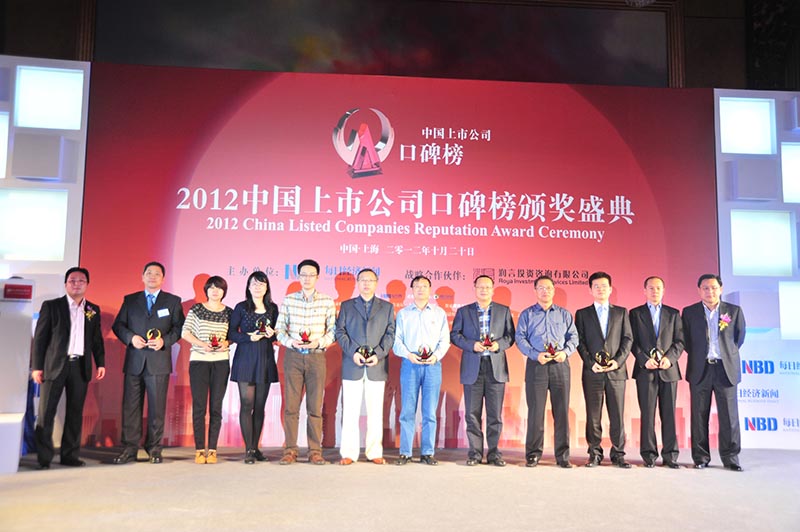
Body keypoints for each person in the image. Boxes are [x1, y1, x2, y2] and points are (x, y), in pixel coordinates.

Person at [31, 267, 105, 469]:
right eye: (72, 280)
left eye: (81, 281)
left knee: (75, 413)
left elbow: (96, 339)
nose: (76, 284)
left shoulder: (92, 310)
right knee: (46, 413)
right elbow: (40, 339)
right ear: (66, 284)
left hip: (79, 366)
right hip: (54, 365)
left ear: (87, 284)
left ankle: (70, 456)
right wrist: (37, 367)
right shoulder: (52, 306)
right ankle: (44, 458)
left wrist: (100, 362)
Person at [111, 261, 184, 464]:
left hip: (158, 361)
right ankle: (129, 448)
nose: (152, 276)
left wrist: (164, 341)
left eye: (157, 273)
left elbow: (179, 328)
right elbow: (119, 325)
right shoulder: (130, 300)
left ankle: (154, 448)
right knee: (131, 407)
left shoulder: (172, 301)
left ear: (163, 278)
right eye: (149, 273)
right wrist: (130, 338)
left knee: (157, 408)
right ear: (142, 276)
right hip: (135, 360)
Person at [682, 274, 746, 471]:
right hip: (700, 369)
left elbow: (739, 338)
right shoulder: (689, 312)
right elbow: (686, 341)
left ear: (721, 289)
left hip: (725, 369)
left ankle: (731, 458)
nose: (710, 291)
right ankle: (701, 457)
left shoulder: (733, 311)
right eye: (705, 288)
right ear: (699, 290)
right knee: (699, 415)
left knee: (729, 417)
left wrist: (725, 355)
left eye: (713, 287)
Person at [275, 259, 336, 465]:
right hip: (293, 356)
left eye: (311, 275)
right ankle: (290, 450)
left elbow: (333, 331)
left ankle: (314, 451)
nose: (307, 278)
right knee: (291, 406)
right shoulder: (289, 300)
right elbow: (279, 329)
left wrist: (319, 342)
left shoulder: (327, 301)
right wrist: (290, 342)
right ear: (298, 276)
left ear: (317, 277)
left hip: (316, 356)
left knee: (314, 407)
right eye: (303, 275)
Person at [450, 275, 515, 467]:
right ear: (474, 288)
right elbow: (455, 335)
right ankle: (475, 453)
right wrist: (471, 345)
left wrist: (498, 345)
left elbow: (510, 336)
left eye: (487, 287)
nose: (484, 290)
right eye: (480, 287)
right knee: (472, 414)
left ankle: (494, 454)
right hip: (473, 367)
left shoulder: (503, 311)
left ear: (493, 289)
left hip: (495, 368)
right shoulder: (464, 311)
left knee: (495, 415)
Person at [515, 275, 578, 468]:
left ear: (554, 290)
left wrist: (565, 353)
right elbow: (520, 338)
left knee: (562, 412)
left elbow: (574, 337)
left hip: (560, 366)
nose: (545, 291)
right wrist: (535, 355)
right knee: (535, 412)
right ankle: (533, 454)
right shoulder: (527, 314)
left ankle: (563, 456)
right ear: (535, 291)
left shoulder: (564, 314)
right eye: (541, 288)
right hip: (537, 365)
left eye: (549, 288)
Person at [335, 268, 396, 465]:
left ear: (376, 283)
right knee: (350, 412)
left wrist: (378, 354)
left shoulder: (387, 307)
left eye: (370, 280)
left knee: (375, 412)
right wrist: (353, 352)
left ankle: (374, 452)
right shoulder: (347, 306)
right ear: (357, 283)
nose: (366, 283)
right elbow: (340, 332)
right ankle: (349, 453)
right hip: (352, 365)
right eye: (363, 280)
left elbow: (390, 334)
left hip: (376, 366)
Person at [575, 271, 633, 468]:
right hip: (592, 372)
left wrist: (618, 361)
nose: (600, 289)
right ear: (590, 290)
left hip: (616, 372)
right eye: (596, 286)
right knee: (593, 416)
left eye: (604, 286)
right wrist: (591, 362)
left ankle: (618, 454)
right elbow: (579, 341)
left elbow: (628, 339)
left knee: (617, 415)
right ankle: (594, 454)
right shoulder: (582, 314)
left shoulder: (621, 313)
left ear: (610, 289)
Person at [393, 275, 450, 465]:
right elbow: (396, 341)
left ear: (430, 289)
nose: (420, 289)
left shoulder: (439, 313)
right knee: (407, 411)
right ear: (412, 290)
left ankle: (427, 452)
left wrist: (436, 356)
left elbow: (445, 340)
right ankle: (405, 452)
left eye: (424, 286)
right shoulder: (403, 314)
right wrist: (408, 355)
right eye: (417, 286)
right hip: (410, 365)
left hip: (432, 365)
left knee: (429, 412)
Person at [630, 276, 684, 468]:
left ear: (664, 290)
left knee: (669, 414)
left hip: (668, 371)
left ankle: (670, 456)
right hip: (645, 371)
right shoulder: (635, 314)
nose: (655, 291)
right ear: (644, 290)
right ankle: (649, 455)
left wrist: (670, 358)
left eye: (658, 288)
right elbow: (631, 341)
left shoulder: (673, 313)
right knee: (647, 415)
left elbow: (680, 341)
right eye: (651, 288)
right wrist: (645, 360)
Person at [181, 275, 232, 465]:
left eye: (219, 288)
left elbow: (233, 335)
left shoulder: (229, 312)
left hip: (221, 362)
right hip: (199, 361)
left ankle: (212, 450)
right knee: (199, 407)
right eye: (211, 287)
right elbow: (185, 332)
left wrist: (226, 343)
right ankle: (199, 450)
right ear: (205, 290)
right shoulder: (197, 309)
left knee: (216, 407)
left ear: (224, 291)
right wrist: (203, 344)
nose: (215, 291)